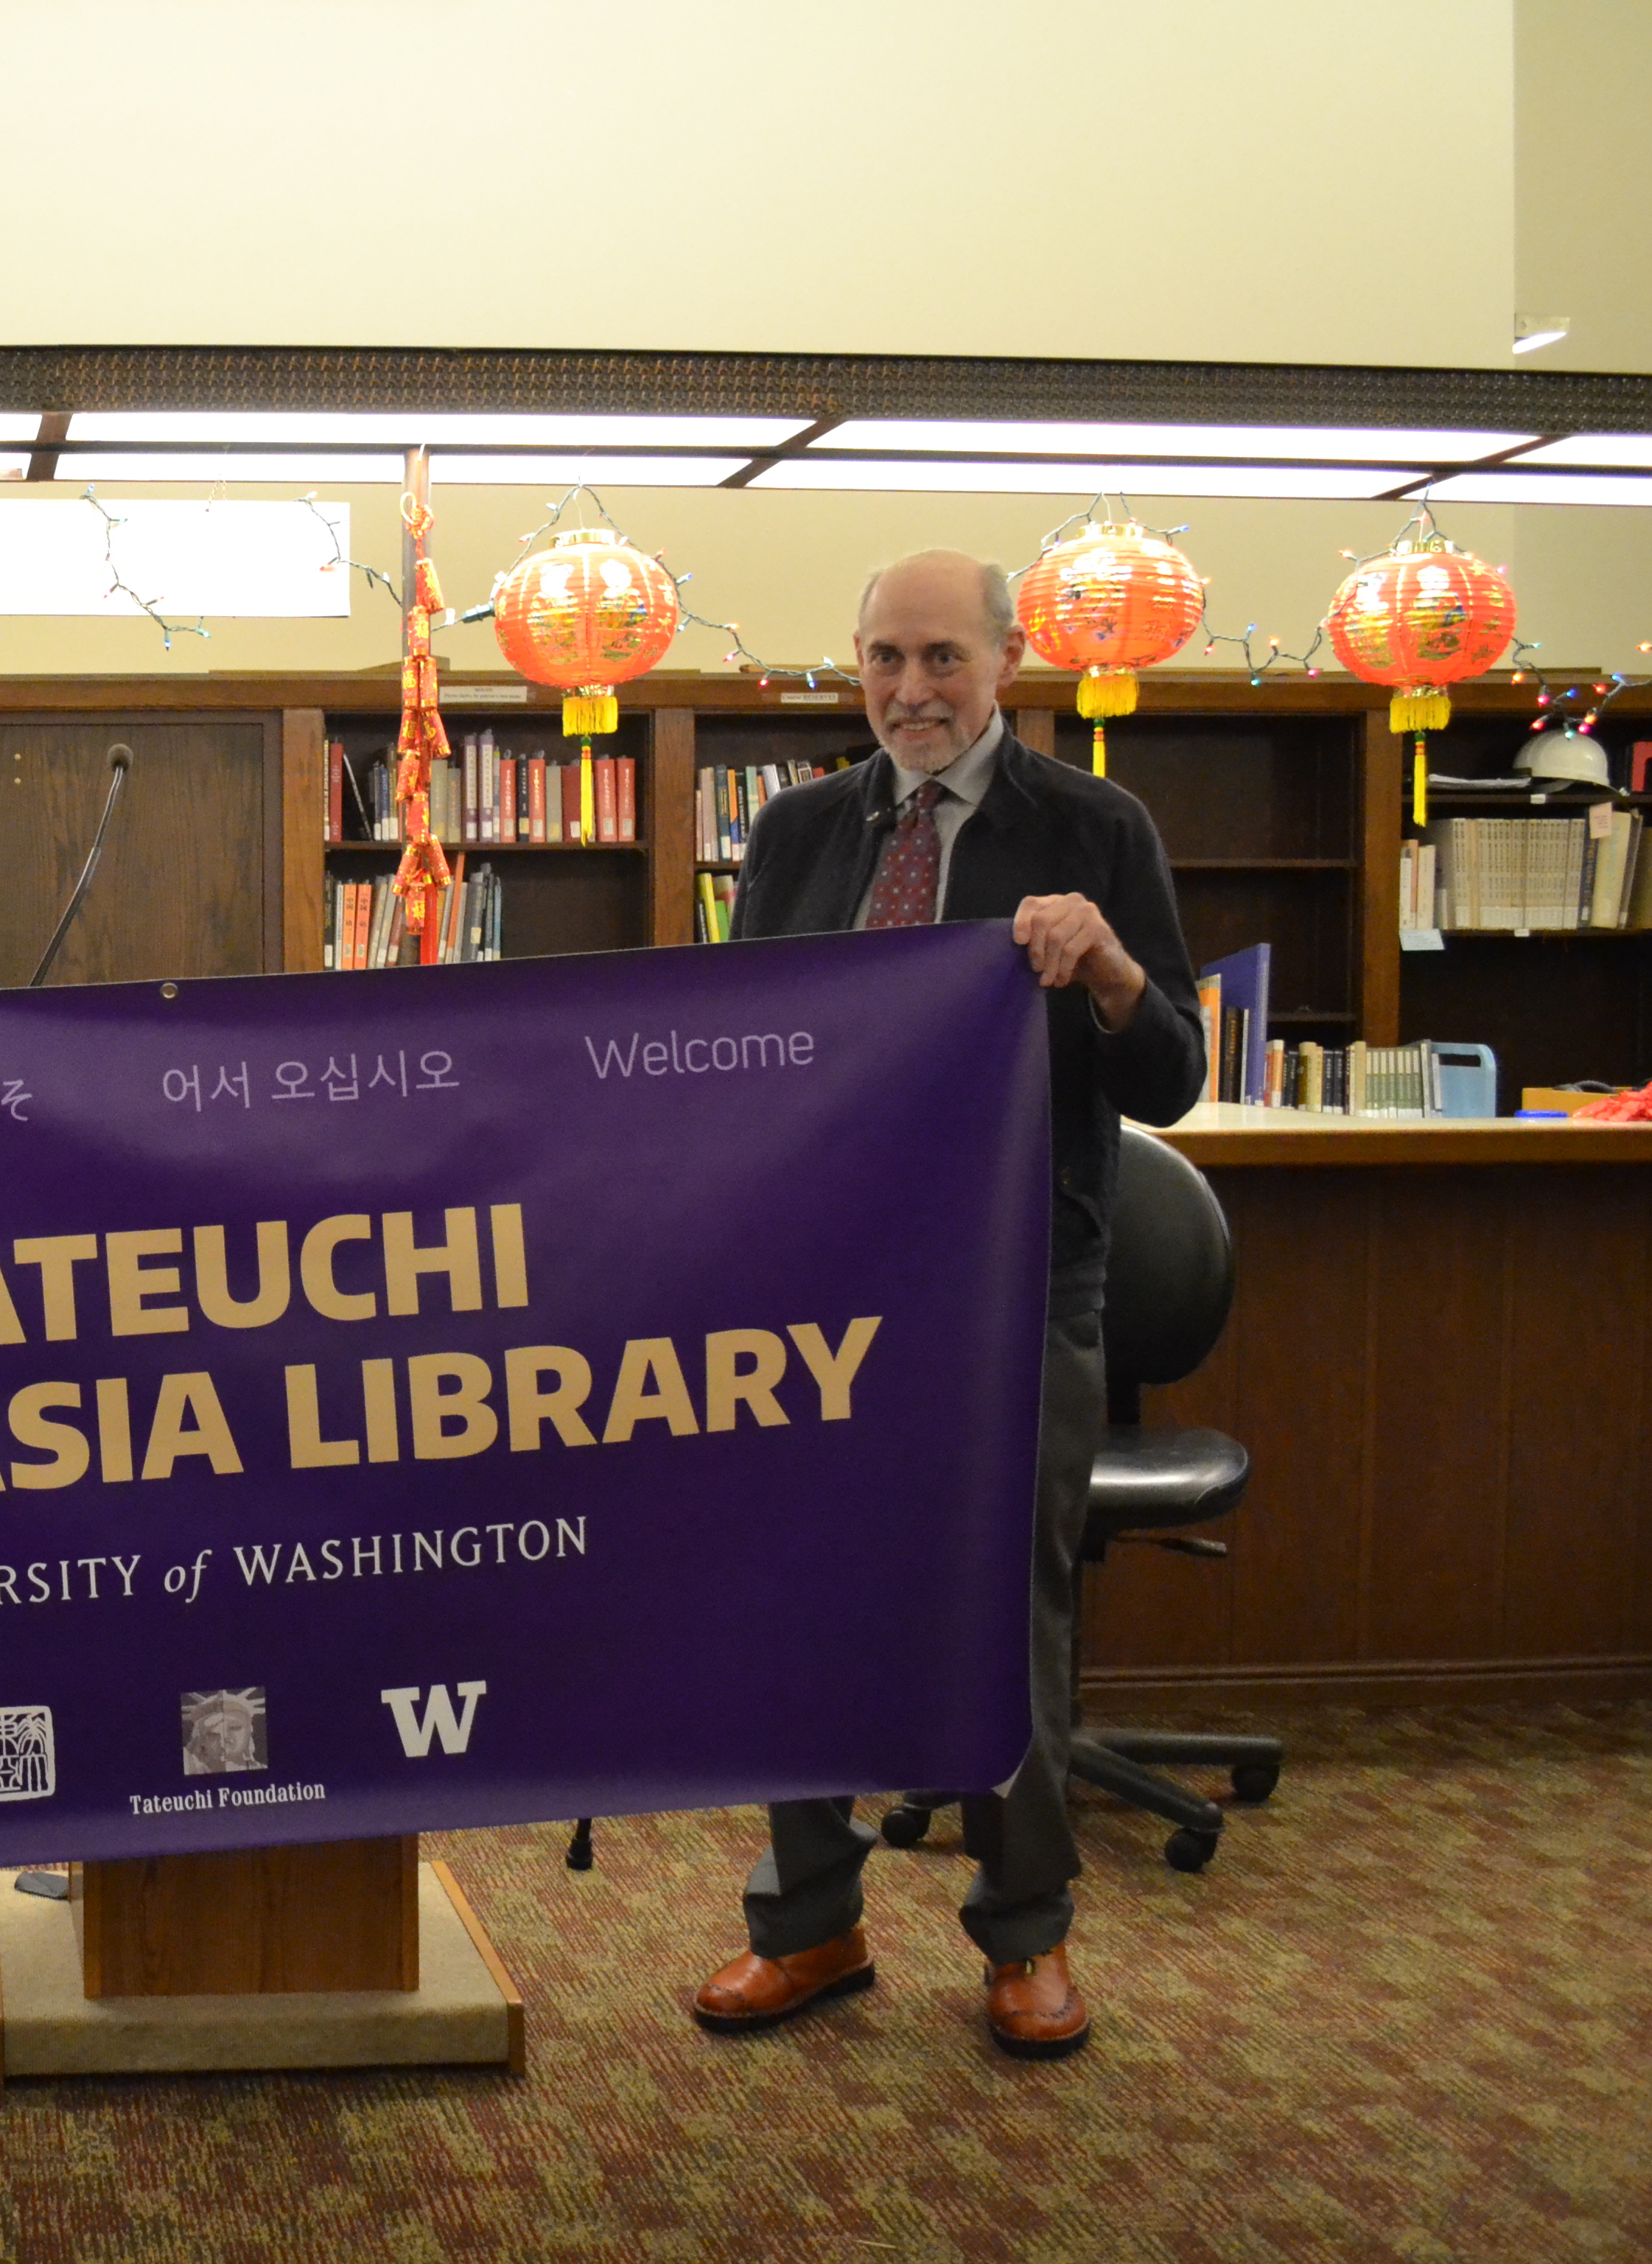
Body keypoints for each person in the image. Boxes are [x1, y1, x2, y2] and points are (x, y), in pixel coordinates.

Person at [690, 549, 1204, 2062]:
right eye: (883, 661)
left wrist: (1106, 969)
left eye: (941, 660)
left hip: (1017, 1289)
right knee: (800, 1602)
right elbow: (740, 1056)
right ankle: (809, 1926)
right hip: (822, 1295)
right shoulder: (795, 833)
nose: (911, 692)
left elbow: (1169, 1071)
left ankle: (1027, 1937)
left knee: (1009, 1613)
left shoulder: (1095, 827)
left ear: (1007, 663)